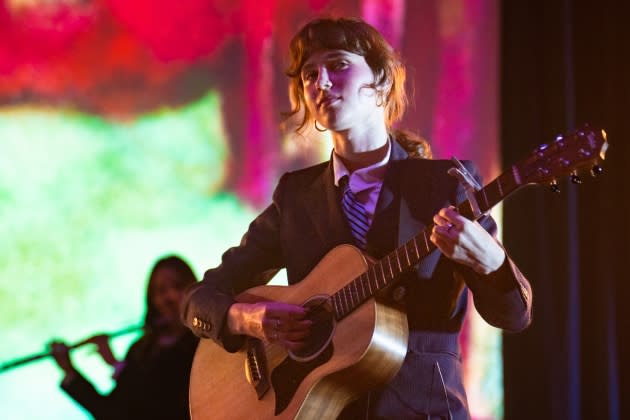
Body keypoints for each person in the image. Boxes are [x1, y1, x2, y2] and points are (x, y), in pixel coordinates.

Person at [181, 17, 532, 419]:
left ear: (382, 80)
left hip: (425, 410)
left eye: (338, 65)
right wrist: (246, 318)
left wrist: (491, 262)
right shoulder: (296, 198)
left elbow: (514, 315)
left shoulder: (446, 186)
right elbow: (199, 299)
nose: (321, 82)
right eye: (309, 74)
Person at [51, 255, 199, 420]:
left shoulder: (202, 346)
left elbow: (163, 403)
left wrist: (117, 366)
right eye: (160, 291)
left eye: (178, 286)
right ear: (152, 300)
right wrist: (70, 370)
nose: (169, 297)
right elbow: (113, 413)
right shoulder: (140, 349)